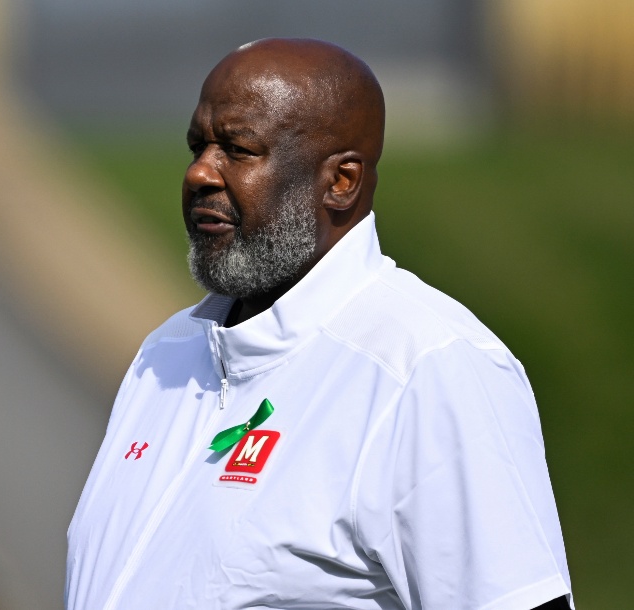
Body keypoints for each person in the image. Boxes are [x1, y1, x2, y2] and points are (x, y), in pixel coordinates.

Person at [65, 39, 573, 610]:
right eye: (197, 146)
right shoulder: (166, 356)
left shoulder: (427, 368)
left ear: (341, 182)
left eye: (238, 148)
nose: (200, 173)